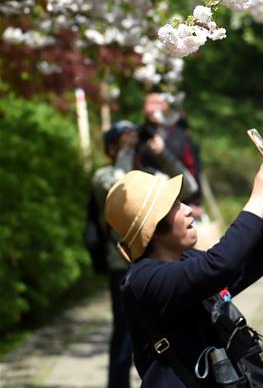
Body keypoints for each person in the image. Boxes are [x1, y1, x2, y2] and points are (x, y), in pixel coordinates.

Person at [104, 156, 263, 386]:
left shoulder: (187, 259)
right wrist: (258, 199)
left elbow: (247, 264)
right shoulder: (143, 280)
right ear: (152, 228)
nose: (187, 210)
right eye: (174, 205)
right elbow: (220, 265)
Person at [90, 121, 138, 388]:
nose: (131, 143)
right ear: (111, 147)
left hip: (152, 261)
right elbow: (119, 192)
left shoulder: (146, 171)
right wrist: (124, 157)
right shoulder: (103, 175)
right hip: (120, 261)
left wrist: (161, 152)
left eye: (133, 138)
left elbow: (188, 188)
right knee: (124, 331)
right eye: (125, 139)